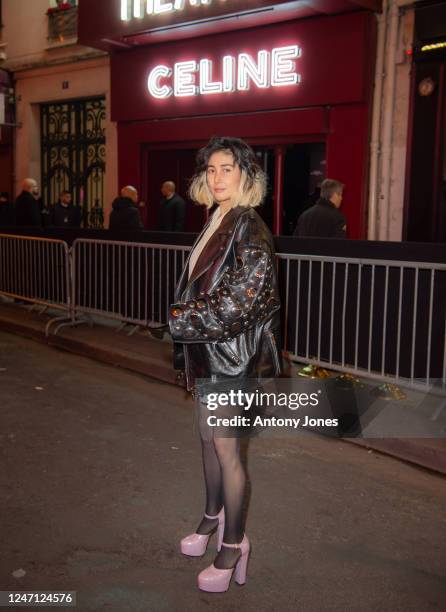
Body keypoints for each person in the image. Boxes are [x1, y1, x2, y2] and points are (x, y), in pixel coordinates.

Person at [168, 136, 281, 593]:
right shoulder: (219, 218)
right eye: (211, 169)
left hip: (232, 362)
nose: (217, 177)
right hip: (209, 356)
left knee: (228, 454)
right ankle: (210, 520)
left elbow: (240, 304)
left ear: (246, 176)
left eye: (227, 169)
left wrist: (179, 319)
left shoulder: (249, 228)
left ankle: (234, 545)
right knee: (207, 443)